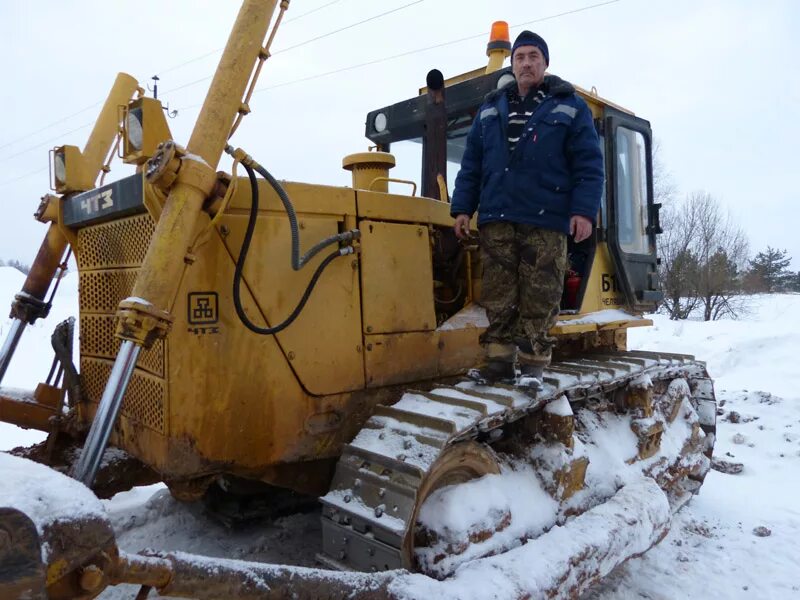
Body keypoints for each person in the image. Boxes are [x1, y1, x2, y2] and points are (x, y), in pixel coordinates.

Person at [450, 30, 604, 388]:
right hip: (497, 218)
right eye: (519, 57)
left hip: (545, 218)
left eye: (534, 56)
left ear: (545, 63)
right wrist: (461, 209)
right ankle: (500, 364)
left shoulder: (569, 105)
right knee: (499, 294)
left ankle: (534, 367)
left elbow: (588, 163)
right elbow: (472, 163)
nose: (526, 63)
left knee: (540, 293)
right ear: (513, 64)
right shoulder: (490, 108)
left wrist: (583, 211)